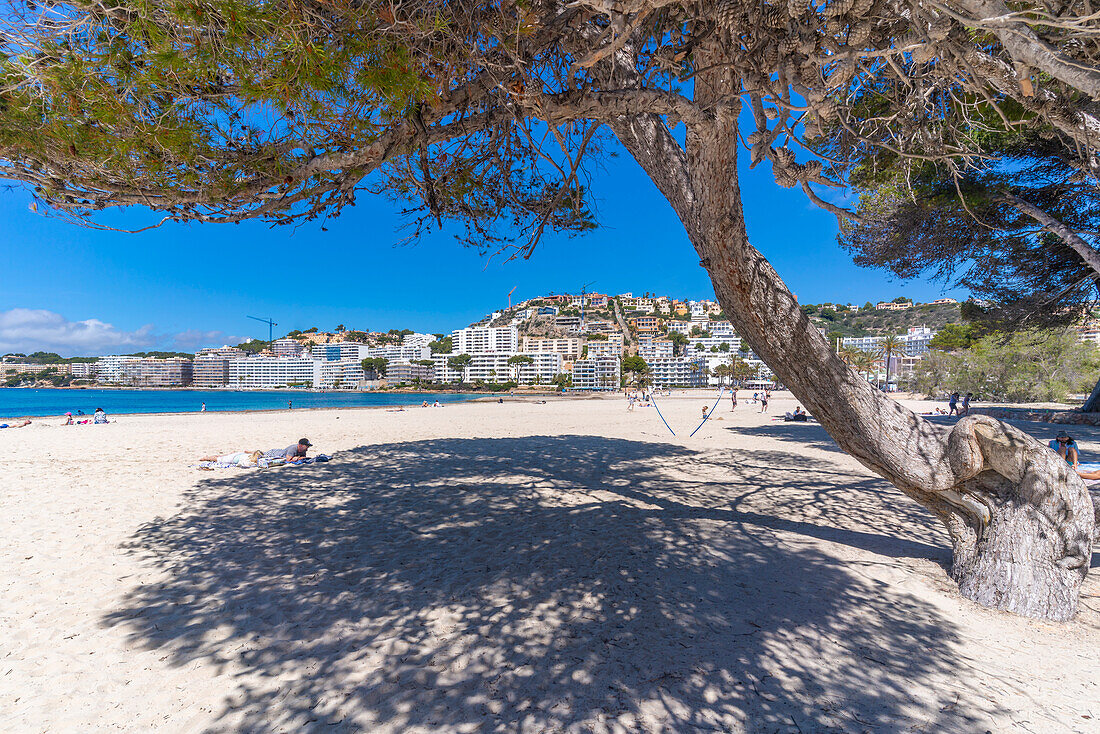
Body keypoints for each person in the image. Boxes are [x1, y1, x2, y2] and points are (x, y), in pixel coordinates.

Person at [199, 450, 264, 468]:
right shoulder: (250, 462)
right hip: (233, 459)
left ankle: (208, 457)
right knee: (218, 459)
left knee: (221, 456)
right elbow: (241, 465)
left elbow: (246, 451)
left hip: (239, 454)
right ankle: (206, 458)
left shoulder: (250, 456)